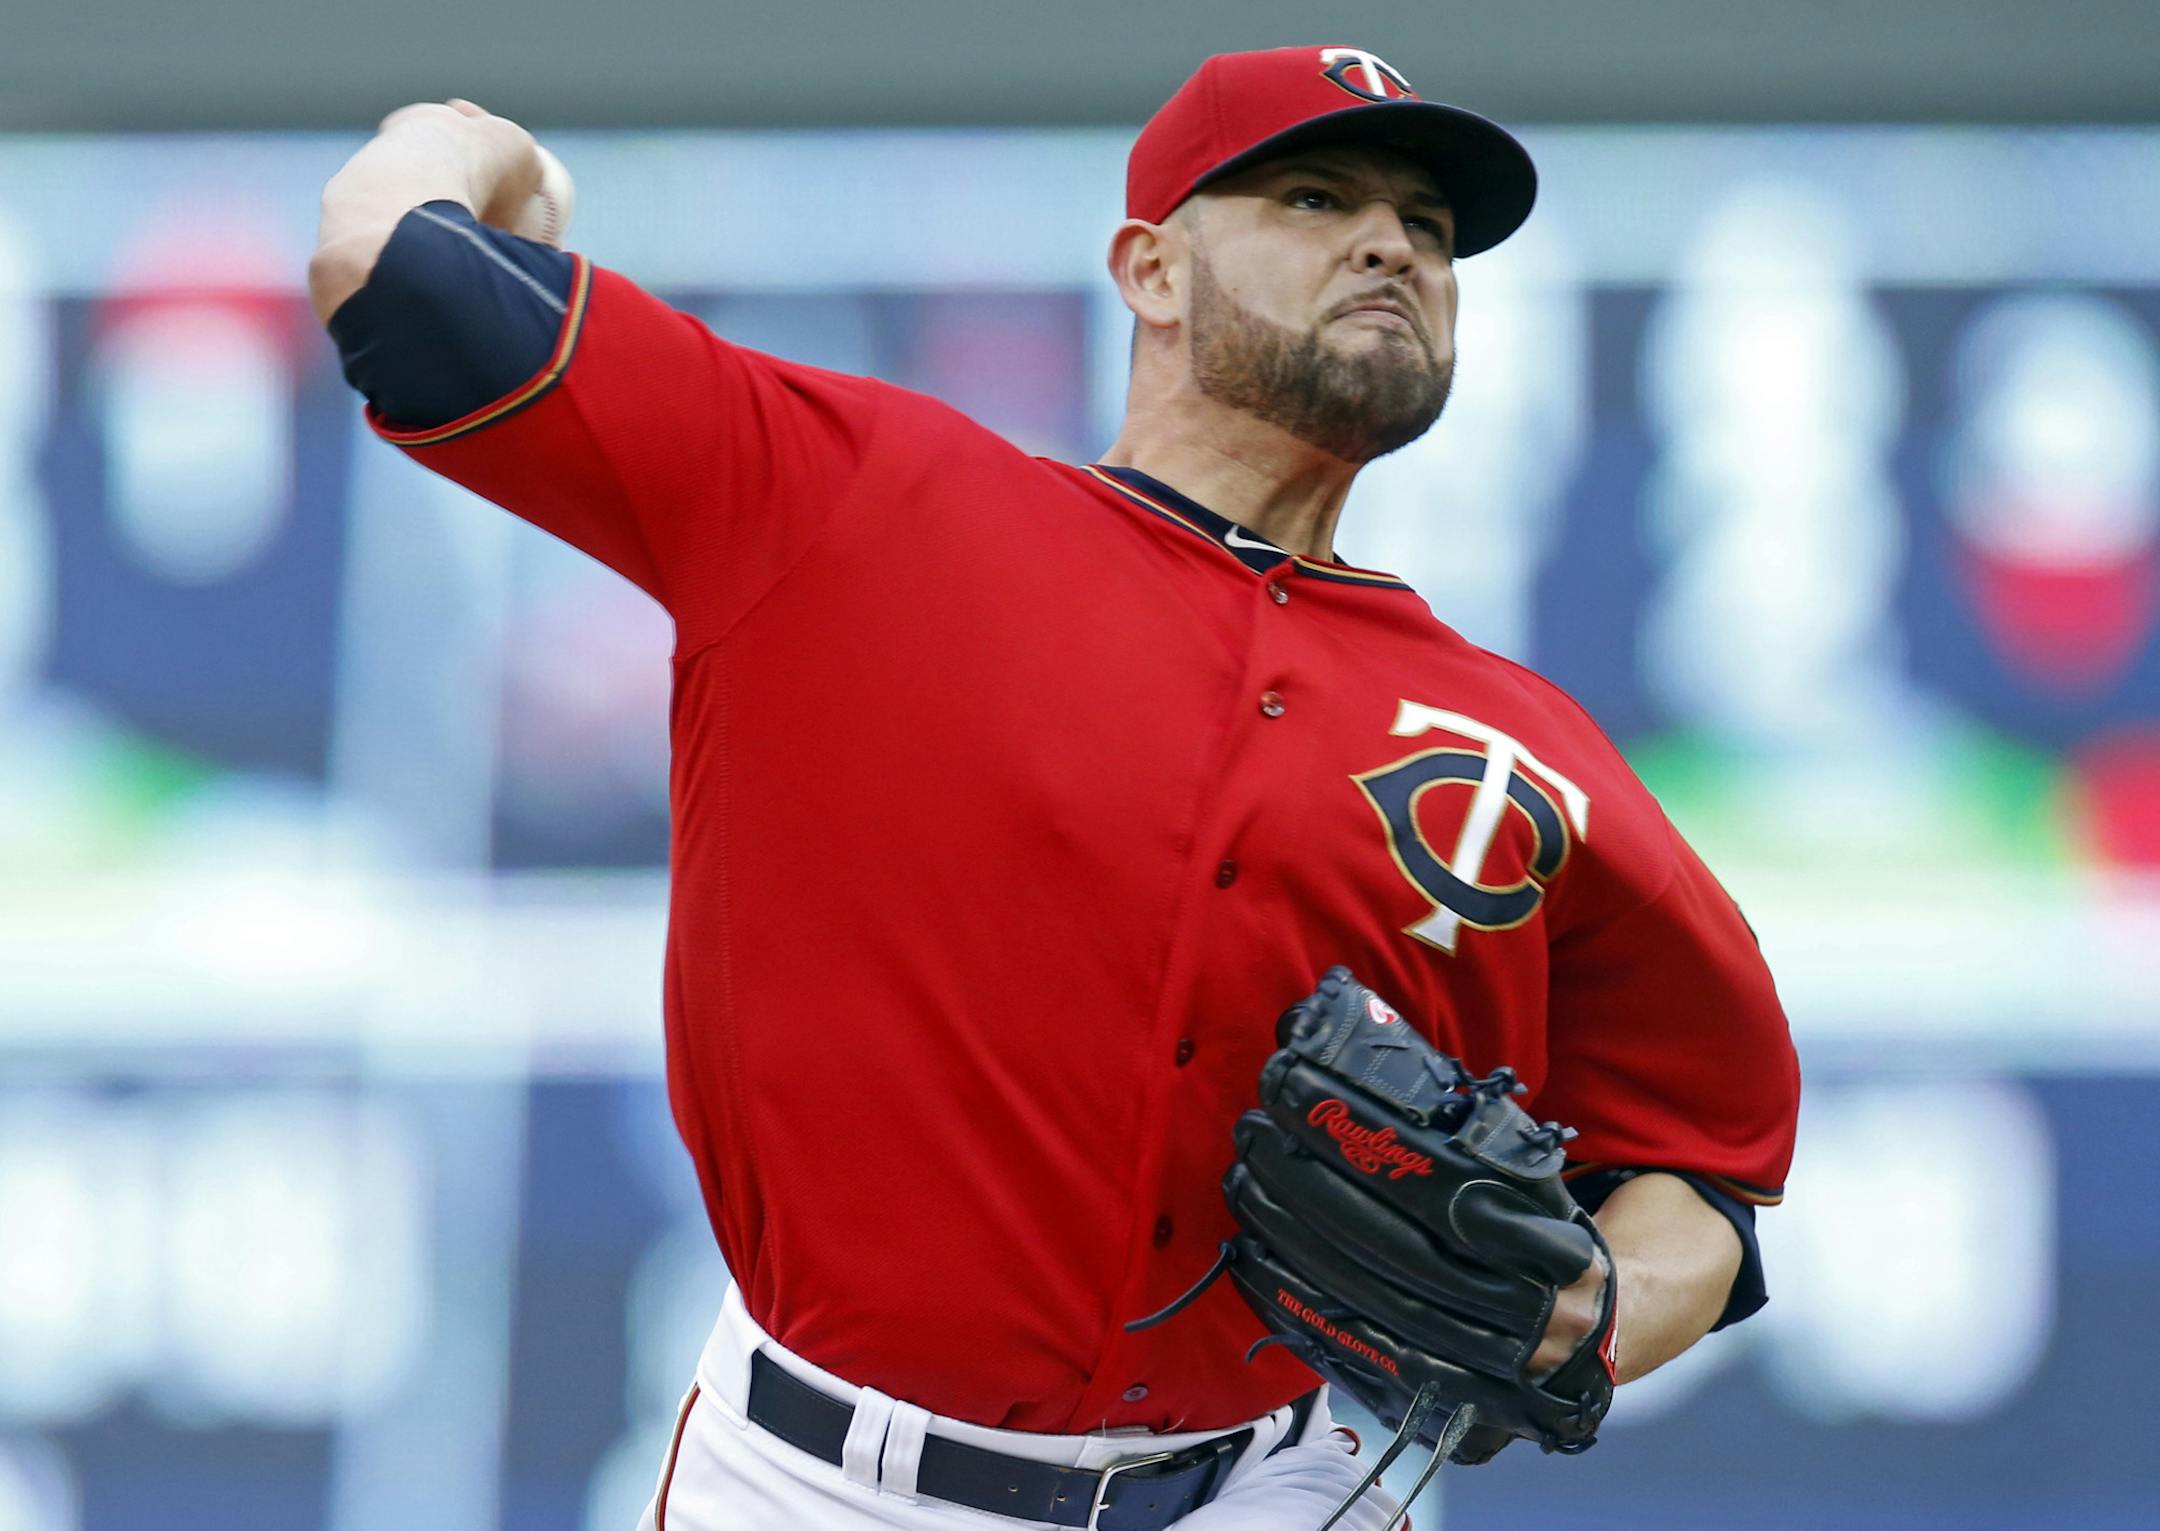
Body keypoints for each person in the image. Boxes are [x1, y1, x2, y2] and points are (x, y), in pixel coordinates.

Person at [309, 44, 1799, 1531]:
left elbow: (1705, 1161)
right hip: (827, 1484)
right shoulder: (857, 507)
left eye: (1428, 226)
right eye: (1314, 195)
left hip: (1279, 1492)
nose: (1389, 244)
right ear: (1150, 271)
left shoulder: (1519, 749)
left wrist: (1595, 1317)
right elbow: (396, 273)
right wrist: (460, 138)